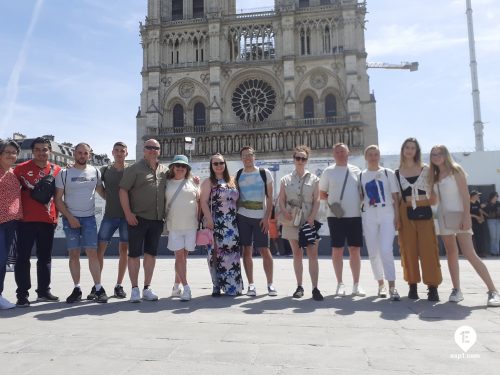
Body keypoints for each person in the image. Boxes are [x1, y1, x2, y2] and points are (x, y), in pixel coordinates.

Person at [429, 145, 500, 307]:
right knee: (451, 252)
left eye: (439, 153)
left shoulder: (456, 170)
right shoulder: (433, 175)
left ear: (446, 154)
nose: (436, 156)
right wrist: (428, 189)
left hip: (460, 215)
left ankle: (493, 290)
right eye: (433, 154)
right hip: (444, 217)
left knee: (469, 253)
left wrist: (466, 216)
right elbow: (434, 201)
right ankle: (456, 290)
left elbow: (465, 195)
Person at [54, 143, 108, 303]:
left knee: (92, 253)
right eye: (79, 153)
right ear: (74, 154)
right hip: (70, 218)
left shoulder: (95, 171)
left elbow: (103, 192)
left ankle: (98, 288)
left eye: (85, 153)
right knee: (74, 254)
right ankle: (77, 288)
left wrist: (121, 201)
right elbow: (58, 199)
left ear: (89, 155)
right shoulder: (64, 173)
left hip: (89, 219)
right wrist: (70, 217)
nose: (82, 155)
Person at [13, 137, 61, 307]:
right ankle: (22, 294)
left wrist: (59, 216)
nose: (41, 153)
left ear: (50, 151)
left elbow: (61, 196)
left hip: (48, 220)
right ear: (33, 152)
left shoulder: (58, 170)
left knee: (45, 258)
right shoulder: (20, 169)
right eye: (38, 149)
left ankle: (43, 291)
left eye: (45, 149)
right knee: (23, 258)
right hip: (25, 220)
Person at [119, 139, 167, 303]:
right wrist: (128, 213)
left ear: (159, 151)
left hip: (156, 219)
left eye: (156, 148)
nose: (152, 150)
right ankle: (134, 289)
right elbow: (123, 190)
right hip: (137, 219)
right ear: (144, 150)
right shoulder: (134, 169)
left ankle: (147, 288)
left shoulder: (164, 170)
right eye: (149, 148)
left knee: (151, 255)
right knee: (133, 254)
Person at [395, 138, 442, 301]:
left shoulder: (426, 169)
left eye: (412, 148)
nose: (409, 150)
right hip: (405, 210)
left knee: (429, 248)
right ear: (403, 150)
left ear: (417, 151)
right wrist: (397, 218)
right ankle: (412, 285)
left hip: (424, 209)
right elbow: (396, 199)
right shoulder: (397, 172)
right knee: (409, 249)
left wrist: (427, 202)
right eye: (406, 147)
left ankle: (432, 287)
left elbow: (434, 195)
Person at [319, 143, 365, 297]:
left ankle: (356, 284)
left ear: (348, 153)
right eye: (337, 152)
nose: (340, 154)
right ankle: (340, 283)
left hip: (355, 216)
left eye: (342, 152)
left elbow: (362, 193)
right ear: (333, 155)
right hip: (336, 217)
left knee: (355, 250)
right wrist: (334, 205)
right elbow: (322, 194)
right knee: (337, 250)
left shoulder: (357, 171)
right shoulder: (328, 171)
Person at [278, 145, 323, 301]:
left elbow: (317, 199)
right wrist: (284, 211)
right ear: (293, 159)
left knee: (312, 253)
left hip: (309, 218)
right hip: (292, 219)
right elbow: (281, 199)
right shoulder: (285, 179)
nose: (300, 161)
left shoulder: (314, 179)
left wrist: (312, 217)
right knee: (297, 253)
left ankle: (315, 288)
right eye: (298, 158)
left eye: (303, 158)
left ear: (307, 160)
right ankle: (299, 286)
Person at [359, 145, 400, 301]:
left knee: (385, 250)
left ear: (379, 156)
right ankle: (380, 284)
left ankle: (392, 286)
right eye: (370, 154)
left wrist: (397, 217)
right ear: (366, 157)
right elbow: (361, 197)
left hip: (386, 213)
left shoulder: (387, 173)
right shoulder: (362, 175)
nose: (373, 157)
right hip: (369, 213)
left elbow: (396, 198)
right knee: (373, 252)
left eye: (376, 154)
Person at [200, 153, 243, 296]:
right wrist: (209, 219)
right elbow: (203, 202)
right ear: (211, 166)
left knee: (232, 254)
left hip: (231, 223)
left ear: (225, 164)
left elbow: (235, 202)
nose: (219, 166)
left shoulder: (232, 181)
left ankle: (233, 286)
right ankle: (216, 285)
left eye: (221, 163)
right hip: (216, 223)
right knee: (215, 255)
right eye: (215, 163)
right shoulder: (208, 182)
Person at [236, 146, 277, 296]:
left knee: (264, 250)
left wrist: (266, 217)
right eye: (244, 156)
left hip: (260, 218)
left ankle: (270, 284)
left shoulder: (264, 173)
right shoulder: (238, 174)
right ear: (241, 159)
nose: (247, 158)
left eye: (250, 155)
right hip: (242, 217)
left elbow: (270, 197)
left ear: (255, 157)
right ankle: (251, 285)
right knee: (246, 250)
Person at [96, 142, 129, 299]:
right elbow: (96, 185)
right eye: (116, 150)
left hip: (126, 217)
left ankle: (119, 285)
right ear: (112, 152)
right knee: (99, 250)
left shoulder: (131, 170)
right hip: (109, 215)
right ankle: (97, 285)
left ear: (126, 153)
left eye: (122, 151)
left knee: (124, 251)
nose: (119, 153)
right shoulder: (105, 170)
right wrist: (108, 198)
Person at [165, 155, 198, 301]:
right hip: (175, 226)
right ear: (173, 167)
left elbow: (199, 201)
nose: (180, 168)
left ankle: (175, 287)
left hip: (191, 226)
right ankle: (186, 288)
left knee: (183, 259)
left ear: (187, 169)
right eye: (177, 165)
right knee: (179, 258)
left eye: (183, 166)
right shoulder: (166, 183)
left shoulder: (193, 183)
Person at [0, 140, 22, 310]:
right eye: (7, 151)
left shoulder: (14, 174)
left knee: (3, 261)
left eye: (14, 152)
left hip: (11, 223)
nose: (10, 155)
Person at [470, 190, 487, 257]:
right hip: (471, 223)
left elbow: (479, 210)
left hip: (478, 223)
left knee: (479, 237)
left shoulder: (477, 202)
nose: (478, 196)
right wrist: (476, 217)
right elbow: (467, 214)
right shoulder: (468, 203)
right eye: (477, 195)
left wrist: (482, 217)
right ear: (473, 196)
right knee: (474, 238)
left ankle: (481, 252)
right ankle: (474, 253)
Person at [484, 191, 500, 256]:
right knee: (493, 236)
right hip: (491, 221)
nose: (497, 197)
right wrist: (487, 215)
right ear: (492, 196)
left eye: (497, 196)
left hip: (498, 220)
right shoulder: (487, 203)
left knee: (498, 237)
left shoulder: (498, 203)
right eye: (496, 196)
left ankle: (497, 251)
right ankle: (493, 251)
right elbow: (481, 208)